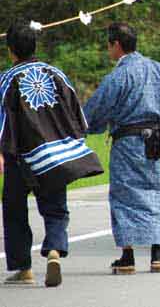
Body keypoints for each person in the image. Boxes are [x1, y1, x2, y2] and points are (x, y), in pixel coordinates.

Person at [83, 22, 160, 274]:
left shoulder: (119, 76)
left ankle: (128, 255)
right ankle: (157, 253)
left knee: (124, 196)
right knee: (153, 192)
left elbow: (96, 110)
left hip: (127, 142)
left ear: (116, 45)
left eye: (109, 45)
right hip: (153, 142)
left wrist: (79, 126)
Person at [1, 20, 103, 287]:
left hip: (21, 158)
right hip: (55, 156)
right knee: (55, 208)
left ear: (10, 50)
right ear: (36, 45)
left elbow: (2, 122)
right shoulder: (56, 74)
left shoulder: (7, 80)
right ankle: (55, 250)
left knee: (14, 210)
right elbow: (78, 114)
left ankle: (23, 268)